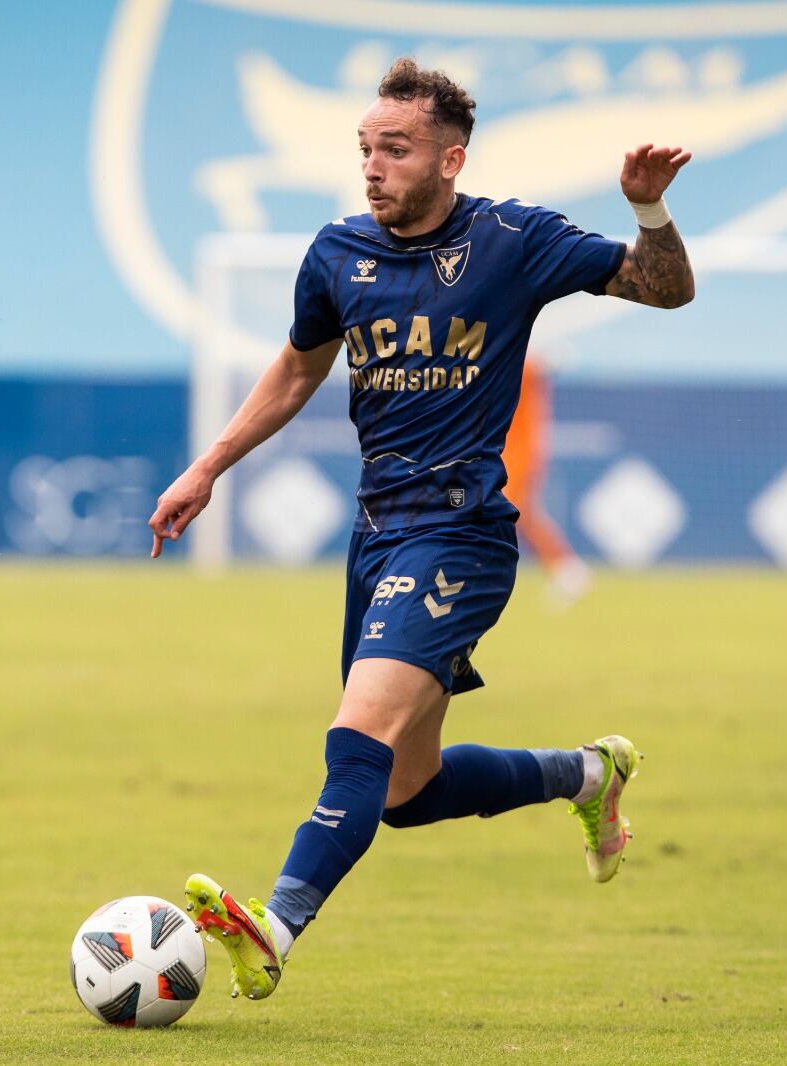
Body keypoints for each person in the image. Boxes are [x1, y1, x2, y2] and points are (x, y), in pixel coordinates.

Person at [148, 57, 694, 1001]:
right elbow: (294, 372)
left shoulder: (514, 240)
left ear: (450, 161)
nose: (372, 166)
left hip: (461, 535)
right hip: (376, 537)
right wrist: (208, 467)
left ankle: (273, 925)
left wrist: (648, 211)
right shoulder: (335, 255)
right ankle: (588, 774)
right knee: (405, 793)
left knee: (355, 730)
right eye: (364, 148)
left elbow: (665, 289)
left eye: (393, 150)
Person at [501, 353, 592, 604]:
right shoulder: (519, 366)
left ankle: (566, 567)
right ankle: (567, 568)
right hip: (514, 451)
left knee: (512, 510)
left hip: (519, 453)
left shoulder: (519, 365)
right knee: (522, 513)